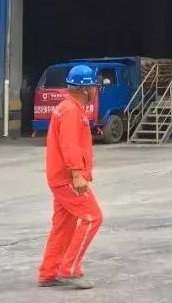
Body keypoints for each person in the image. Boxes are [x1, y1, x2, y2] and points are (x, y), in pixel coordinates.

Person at [37, 65, 104, 290]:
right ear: (85, 89)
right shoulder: (70, 111)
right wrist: (77, 174)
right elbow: (69, 145)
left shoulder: (68, 108)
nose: (96, 90)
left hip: (60, 177)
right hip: (67, 178)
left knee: (63, 226)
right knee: (92, 217)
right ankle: (70, 269)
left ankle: (49, 271)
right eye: (94, 86)